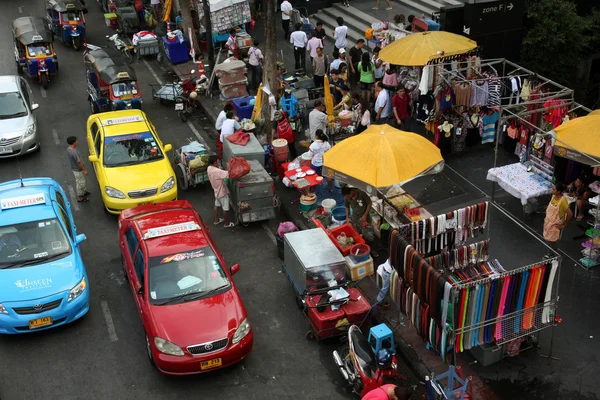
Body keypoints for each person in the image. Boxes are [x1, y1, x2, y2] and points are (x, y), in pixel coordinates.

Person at [543, 182, 573, 254]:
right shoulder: (553, 196)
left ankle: (553, 255)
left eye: (554, 189)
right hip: (548, 222)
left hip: (555, 224)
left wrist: (564, 225)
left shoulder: (563, 201)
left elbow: (570, 214)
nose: (552, 190)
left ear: (559, 191)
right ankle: (549, 253)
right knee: (548, 240)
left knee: (552, 241)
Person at [207, 156, 235, 227]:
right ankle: (227, 223)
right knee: (225, 209)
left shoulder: (209, 168)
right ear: (215, 162)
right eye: (218, 161)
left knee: (216, 205)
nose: (218, 162)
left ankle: (216, 220)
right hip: (222, 192)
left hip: (216, 191)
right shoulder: (217, 171)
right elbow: (228, 174)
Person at [67, 136, 90, 202]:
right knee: (80, 183)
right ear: (74, 142)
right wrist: (84, 170)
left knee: (82, 182)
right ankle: (80, 197)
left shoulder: (69, 149)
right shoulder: (74, 152)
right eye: (77, 141)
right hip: (78, 170)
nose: (78, 141)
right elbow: (79, 162)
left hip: (76, 169)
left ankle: (84, 192)